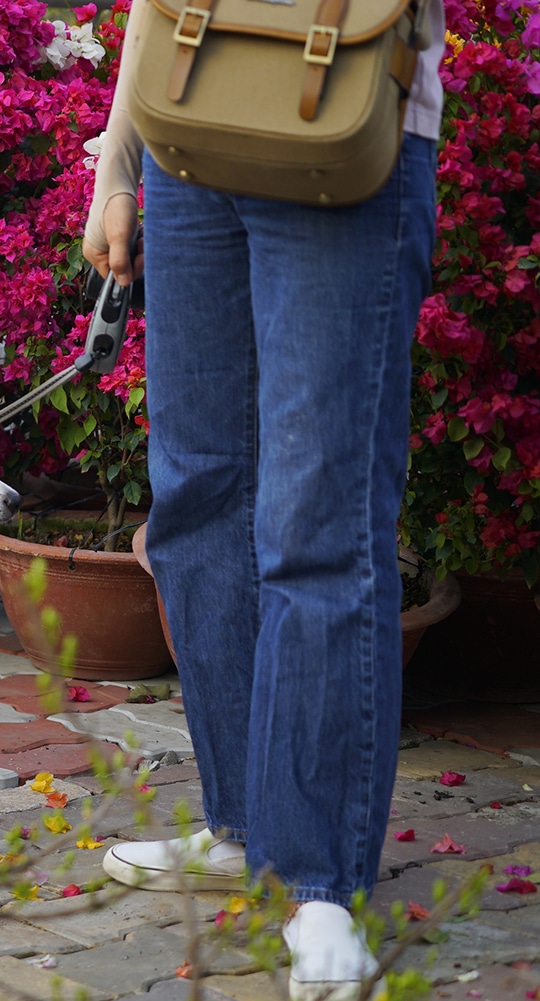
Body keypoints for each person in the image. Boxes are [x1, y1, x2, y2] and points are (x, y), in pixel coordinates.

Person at [81, 2, 446, 999]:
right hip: (190, 130)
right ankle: (249, 824)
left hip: (346, 122)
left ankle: (320, 882)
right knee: (199, 497)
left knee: (316, 525)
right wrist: (117, 164)